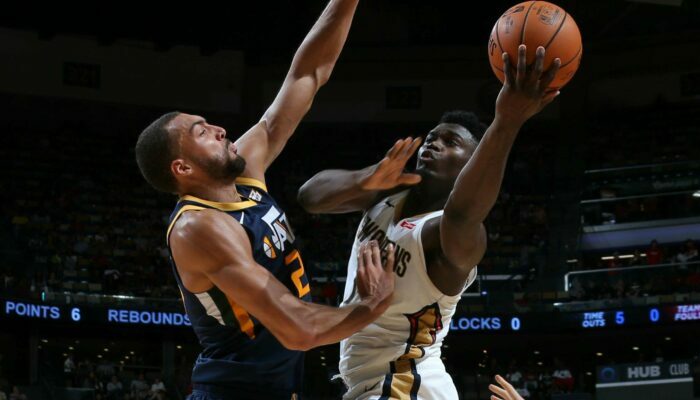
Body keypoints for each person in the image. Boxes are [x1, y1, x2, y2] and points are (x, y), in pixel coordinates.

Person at [135, 1, 395, 399]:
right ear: (183, 169)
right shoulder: (199, 228)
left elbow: (307, 73)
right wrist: (369, 306)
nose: (220, 130)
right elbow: (299, 329)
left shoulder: (246, 170)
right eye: (202, 133)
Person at [298, 45, 560, 399]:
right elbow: (309, 197)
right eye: (432, 137)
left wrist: (507, 121)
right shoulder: (385, 194)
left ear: (471, 165)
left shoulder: (447, 233)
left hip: (405, 382)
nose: (432, 144)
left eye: (450, 142)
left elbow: (464, 212)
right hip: (376, 381)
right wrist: (367, 178)